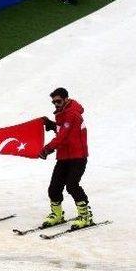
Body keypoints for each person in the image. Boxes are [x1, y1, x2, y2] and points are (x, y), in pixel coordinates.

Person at [39, 87, 92, 230]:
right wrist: (51, 124)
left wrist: (47, 149)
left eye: (58, 101)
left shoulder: (72, 114)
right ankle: (57, 215)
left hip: (77, 157)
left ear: (66, 99)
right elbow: (62, 129)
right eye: (53, 102)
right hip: (64, 157)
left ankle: (85, 216)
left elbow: (62, 137)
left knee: (72, 185)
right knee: (54, 188)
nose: (56, 104)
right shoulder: (62, 114)